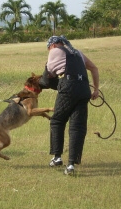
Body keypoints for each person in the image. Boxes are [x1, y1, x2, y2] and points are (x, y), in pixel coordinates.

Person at [42, 35, 99, 175]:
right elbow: (94, 68)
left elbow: (48, 77)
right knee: (77, 127)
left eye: (49, 48)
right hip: (84, 89)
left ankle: (57, 157)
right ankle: (71, 165)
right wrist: (96, 89)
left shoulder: (55, 51)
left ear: (53, 45)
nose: (49, 50)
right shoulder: (77, 52)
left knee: (57, 121)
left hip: (68, 88)